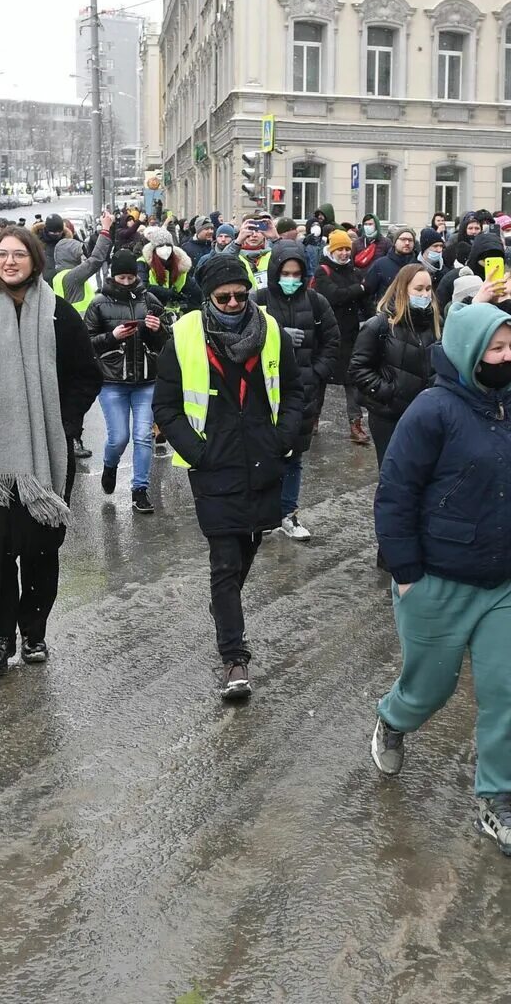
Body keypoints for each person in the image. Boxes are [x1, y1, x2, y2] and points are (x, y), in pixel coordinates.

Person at [369, 302, 511, 858]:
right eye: (495, 349)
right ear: (470, 352)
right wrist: (405, 575)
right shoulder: (431, 412)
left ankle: (497, 801)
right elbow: (395, 494)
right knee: (431, 689)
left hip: (509, 576)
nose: (508, 357)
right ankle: (393, 720)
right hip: (439, 578)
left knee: (507, 693)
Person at [0, 225, 103, 678]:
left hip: (47, 451)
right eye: (2, 255)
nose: (10, 262)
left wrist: (66, 422)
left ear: (36, 261)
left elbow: (85, 375)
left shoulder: (59, 313)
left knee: (40, 545)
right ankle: (1, 634)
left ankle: (34, 631)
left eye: (19, 255)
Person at [153, 254, 306, 699]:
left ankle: (225, 607)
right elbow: (166, 405)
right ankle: (234, 659)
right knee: (224, 560)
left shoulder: (271, 331)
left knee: (248, 548)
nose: (235, 302)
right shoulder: (183, 336)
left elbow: (293, 390)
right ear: (208, 298)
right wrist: (197, 452)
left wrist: (282, 438)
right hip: (213, 465)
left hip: (263, 460)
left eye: (241, 294)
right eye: (225, 296)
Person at [256, 238, 338, 541]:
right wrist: (275, 334)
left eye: (296, 274)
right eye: (285, 273)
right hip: (263, 392)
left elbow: (332, 341)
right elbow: (243, 338)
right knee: (263, 455)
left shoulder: (316, 302)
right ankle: (262, 514)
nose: (291, 280)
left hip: (301, 393)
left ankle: (288, 513)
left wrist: (316, 373)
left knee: (294, 456)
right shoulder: (260, 299)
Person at [86, 247, 169, 512]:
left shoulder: (150, 300)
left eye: (130, 277)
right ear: (113, 277)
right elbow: (86, 343)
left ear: (136, 276)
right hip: (112, 381)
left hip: (146, 380)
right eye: (121, 278)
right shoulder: (98, 303)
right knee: (119, 437)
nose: (126, 282)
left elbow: (166, 343)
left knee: (143, 436)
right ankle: (110, 466)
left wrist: (158, 331)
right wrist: (112, 337)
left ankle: (139, 490)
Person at [350, 264, 442, 463]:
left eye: (428, 289)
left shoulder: (436, 324)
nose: (425, 294)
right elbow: (358, 368)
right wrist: (388, 391)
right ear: (403, 289)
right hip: (389, 417)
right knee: (394, 474)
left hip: (426, 414)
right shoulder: (380, 325)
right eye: (418, 289)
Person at [314, 228, 374, 446]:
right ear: (331, 250)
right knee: (319, 380)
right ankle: (313, 420)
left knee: (352, 381)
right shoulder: (322, 271)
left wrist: (373, 318)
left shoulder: (355, 272)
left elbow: (365, 303)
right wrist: (359, 288)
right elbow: (334, 296)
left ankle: (355, 424)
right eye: (339, 249)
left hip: (350, 335)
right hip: (326, 334)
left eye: (347, 249)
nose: (344, 254)